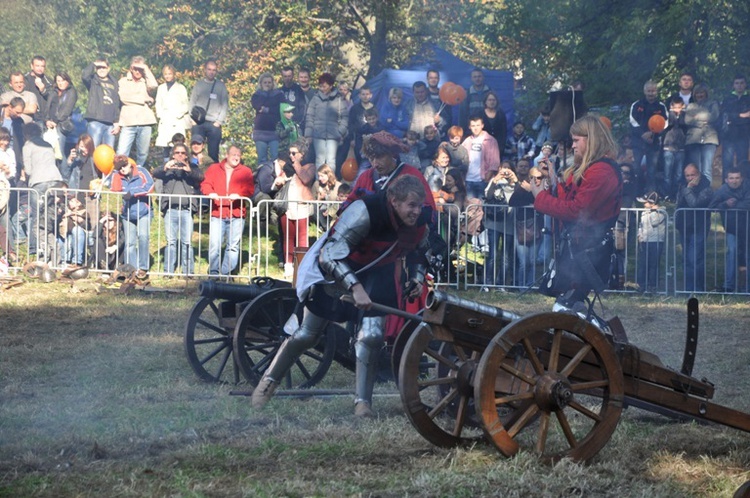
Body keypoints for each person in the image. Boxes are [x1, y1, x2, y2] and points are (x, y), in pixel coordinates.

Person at [251, 174, 434, 417]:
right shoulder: (364, 211)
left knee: (372, 336)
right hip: (338, 272)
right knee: (307, 335)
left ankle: (363, 404)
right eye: (411, 205)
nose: (416, 211)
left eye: (419, 205)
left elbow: (420, 250)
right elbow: (329, 255)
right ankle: (267, 384)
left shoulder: (419, 219)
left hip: (380, 272)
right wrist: (355, 288)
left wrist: (417, 278)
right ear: (393, 201)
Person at [530, 114, 622, 312]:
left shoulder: (601, 171)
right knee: (567, 305)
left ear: (591, 139)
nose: (572, 146)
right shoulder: (591, 169)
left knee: (564, 308)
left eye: (576, 140)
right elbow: (569, 199)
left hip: (590, 252)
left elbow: (576, 210)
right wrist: (553, 179)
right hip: (581, 249)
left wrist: (540, 198)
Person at [200, 145, 254, 276]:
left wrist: (239, 195)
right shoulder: (214, 169)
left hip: (237, 213)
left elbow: (250, 189)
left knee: (233, 245)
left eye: (238, 155)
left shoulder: (246, 171)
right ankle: (213, 273)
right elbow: (205, 184)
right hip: (218, 212)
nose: (236, 158)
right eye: (233, 155)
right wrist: (210, 193)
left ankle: (226, 274)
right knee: (215, 244)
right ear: (227, 155)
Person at [153, 143, 203, 276]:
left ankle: (188, 272)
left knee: (187, 242)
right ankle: (168, 271)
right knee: (171, 242)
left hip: (186, 210)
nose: (180, 155)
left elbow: (200, 177)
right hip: (170, 210)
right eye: (177, 152)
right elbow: (155, 173)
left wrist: (189, 171)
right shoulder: (168, 168)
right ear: (173, 154)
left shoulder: (192, 167)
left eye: (182, 153)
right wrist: (165, 167)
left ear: (186, 155)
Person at [22, 122, 64, 259]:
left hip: (38, 182)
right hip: (55, 179)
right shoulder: (47, 144)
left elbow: (28, 169)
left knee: (37, 216)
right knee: (51, 215)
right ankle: (56, 248)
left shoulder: (27, 146)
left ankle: (35, 247)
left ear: (27, 134)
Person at [110, 154, 154, 281]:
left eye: (124, 166)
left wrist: (133, 193)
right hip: (127, 214)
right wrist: (115, 175)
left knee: (143, 237)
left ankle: (143, 268)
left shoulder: (141, 171)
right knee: (129, 243)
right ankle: (131, 269)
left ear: (129, 163)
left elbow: (150, 186)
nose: (122, 169)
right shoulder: (119, 175)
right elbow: (114, 189)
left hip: (143, 212)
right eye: (119, 168)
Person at [709, 166, 750, 292]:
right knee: (731, 253)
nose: (734, 181)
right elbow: (712, 207)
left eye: (737, 178)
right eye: (731, 178)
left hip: (748, 227)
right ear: (726, 180)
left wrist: (734, 205)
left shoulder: (748, 186)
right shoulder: (722, 190)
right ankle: (729, 285)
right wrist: (725, 204)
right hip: (732, 229)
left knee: (747, 255)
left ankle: (747, 287)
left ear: (741, 178)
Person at [279, 141, 316, 278]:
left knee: (302, 239)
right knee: (288, 237)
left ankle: (301, 266)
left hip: (302, 206)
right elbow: (279, 183)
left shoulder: (310, 166)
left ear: (303, 154)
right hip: (287, 206)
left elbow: (306, 179)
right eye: (289, 153)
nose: (291, 156)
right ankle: (288, 265)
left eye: (294, 153)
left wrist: (296, 165)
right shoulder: (287, 168)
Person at [675, 164, 713, 292]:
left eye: (693, 175)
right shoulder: (681, 185)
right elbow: (679, 204)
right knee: (686, 259)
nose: (690, 178)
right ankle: (688, 288)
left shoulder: (706, 187)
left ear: (699, 174)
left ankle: (696, 289)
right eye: (687, 175)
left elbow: (694, 204)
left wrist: (688, 189)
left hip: (699, 227)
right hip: (684, 226)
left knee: (695, 258)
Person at [116, 56, 158, 167]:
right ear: (131, 68)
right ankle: (118, 176)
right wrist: (144, 99)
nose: (138, 71)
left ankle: (138, 175)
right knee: (121, 152)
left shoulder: (146, 82)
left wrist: (146, 68)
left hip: (145, 122)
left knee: (143, 154)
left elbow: (154, 86)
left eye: (140, 69)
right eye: (135, 68)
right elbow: (124, 98)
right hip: (128, 122)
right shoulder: (123, 81)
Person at [629, 80, 668, 194]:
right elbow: (632, 122)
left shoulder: (661, 106)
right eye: (649, 91)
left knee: (652, 171)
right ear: (644, 91)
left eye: (653, 91)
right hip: (638, 142)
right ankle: (636, 193)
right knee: (636, 168)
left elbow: (665, 123)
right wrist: (643, 134)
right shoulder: (636, 105)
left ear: (657, 91)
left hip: (653, 143)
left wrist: (653, 133)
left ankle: (651, 195)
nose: (651, 93)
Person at [304, 73, 348, 170]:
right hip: (318, 135)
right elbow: (310, 117)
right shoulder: (315, 99)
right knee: (319, 160)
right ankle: (318, 183)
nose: (322, 88)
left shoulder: (339, 99)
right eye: (320, 86)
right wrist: (309, 134)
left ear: (331, 86)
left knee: (331, 161)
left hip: (333, 135)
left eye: (324, 86)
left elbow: (345, 117)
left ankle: (330, 183)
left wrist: (340, 131)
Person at [189, 59, 229, 162]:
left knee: (213, 153)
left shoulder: (221, 86)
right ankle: (195, 173)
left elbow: (224, 105)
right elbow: (192, 101)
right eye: (209, 69)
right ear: (205, 70)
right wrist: (192, 120)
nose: (211, 72)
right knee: (196, 152)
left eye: (214, 70)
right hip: (198, 122)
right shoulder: (199, 84)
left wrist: (219, 122)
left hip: (213, 123)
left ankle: (213, 175)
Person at [684, 84, 720, 184]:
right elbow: (687, 120)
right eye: (697, 93)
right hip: (693, 140)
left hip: (709, 139)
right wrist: (703, 119)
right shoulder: (691, 106)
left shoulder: (713, 103)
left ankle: (707, 193)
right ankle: (695, 193)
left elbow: (714, 116)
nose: (700, 95)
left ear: (706, 93)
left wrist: (697, 116)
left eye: (702, 92)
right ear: (694, 95)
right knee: (695, 169)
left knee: (706, 169)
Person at [81, 57, 120, 148]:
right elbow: (84, 75)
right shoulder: (92, 81)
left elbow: (117, 103)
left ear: (108, 68)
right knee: (92, 150)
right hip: (96, 121)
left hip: (110, 123)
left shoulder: (114, 82)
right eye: (99, 67)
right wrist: (93, 64)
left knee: (109, 154)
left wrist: (117, 121)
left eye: (104, 67)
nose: (101, 70)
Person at [155, 65, 190, 159]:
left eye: (170, 74)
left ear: (174, 74)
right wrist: (160, 115)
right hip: (165, 120)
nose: (168, 76)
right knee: (165, 147)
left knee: (177, 147)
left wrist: (177, 114)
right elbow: (158, 103)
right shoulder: (161, 88)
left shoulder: (181, 88)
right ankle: (166, 167)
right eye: (165, 74)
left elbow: (186, 104)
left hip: (176, 121)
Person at [462, 114, 500, 200]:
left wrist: (488, 176)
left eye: (478, 125)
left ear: (482, 125)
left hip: (483, 179)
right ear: (469, 127)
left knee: (482, 207)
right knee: (470, 208)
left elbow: (495, 161)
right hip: (468, 179)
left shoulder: (491, 140)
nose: (475, 128)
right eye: (473, 125)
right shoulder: (467, 141)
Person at [635, 191, 667, 293]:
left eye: (646, 202)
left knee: (653, 264)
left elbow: (654, 222)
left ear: (652, 203)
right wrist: (639, 234)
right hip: (645, 240)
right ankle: (642, 285)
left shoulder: (661, 212)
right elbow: (642, 224)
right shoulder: (645, 211)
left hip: (656, 241)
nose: (643, 204)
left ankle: (652, 285)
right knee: (643, 264)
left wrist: (653, 211)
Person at [251, 72, 285, 163]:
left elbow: (279, 109)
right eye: (265, 82)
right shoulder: (256, 95)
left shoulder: (279, 95)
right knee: (262, 159)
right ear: (261, 84)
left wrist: (266, 110)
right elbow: (257, 105)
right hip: (260, 131)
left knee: (276, 158)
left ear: (273, 83)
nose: (267, 84)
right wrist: (265, 93)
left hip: (275, 131)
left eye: (269, 82)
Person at [720, 75, 750, 172]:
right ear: (733, 85)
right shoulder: (728, 99)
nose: (739, 85)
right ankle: (725, 185)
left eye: (741, 83)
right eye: (737, 83)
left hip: (744, 134)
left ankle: (744, 186)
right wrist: (742, 115)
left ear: (745, 84)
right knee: (727, 162)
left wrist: (735, 116)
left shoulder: (748, 98)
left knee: (743, 162)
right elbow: (725, 114)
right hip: (729, 134)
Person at [46, 72, 78, 156]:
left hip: (61, 125)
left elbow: (66, 111)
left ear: (67, 81)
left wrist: (55, 121)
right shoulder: (53, 91)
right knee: (49, 152)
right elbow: (48, 107)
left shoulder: (71, 92)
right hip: (49, 125)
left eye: (63, 80)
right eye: (58, 81)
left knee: (59, 152)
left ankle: (63, 169)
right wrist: (47, 120)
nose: (60, 83)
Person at [662, 97, 687, 198]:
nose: (677, 109)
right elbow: (668, 125)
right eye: (674, 107)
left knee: (678, 174)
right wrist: (672, 114)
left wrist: (680, 115)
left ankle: (676, 195)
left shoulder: (684, 115)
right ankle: (666, 194)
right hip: (668, 147)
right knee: (667, 174)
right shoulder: (667, 115)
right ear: (671, 107)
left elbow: (683, 124)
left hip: (681, 148)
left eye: (679, 107)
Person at [348, 85, 374, 166]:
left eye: (367, 94)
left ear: (371, 95)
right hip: (358, 138)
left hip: (371, 138)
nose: (365, 96)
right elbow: (350, 123)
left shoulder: (374, 108)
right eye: (363, 94)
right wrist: (352, 138)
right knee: (359, 161)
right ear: (359, 95)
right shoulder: (355, 108)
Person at [459, 68, 491, 132]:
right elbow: (462, 115)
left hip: (487, 129)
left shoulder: (490, 93)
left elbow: (495, 112)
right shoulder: (466, 94)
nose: (477, 79)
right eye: (475, 77)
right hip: (471, 130)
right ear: (471, 78)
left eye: (479, 76)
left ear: (483, 77)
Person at [24, 55, 53, 124]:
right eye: (37, 66)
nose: (40, 68)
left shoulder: (49, 81)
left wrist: (43, 90)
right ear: (32, 66)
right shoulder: (25, 79)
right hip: (28, 117)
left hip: (44, 119)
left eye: (42, 66)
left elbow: (53, 99)